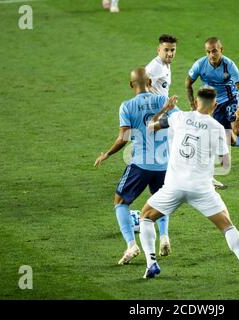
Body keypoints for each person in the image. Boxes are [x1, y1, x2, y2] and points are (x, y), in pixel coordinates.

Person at [138, 86, 239, 281]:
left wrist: (165, 108)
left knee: (146, 217)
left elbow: (150, 126)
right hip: (202, 189)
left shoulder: (178, 117)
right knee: (227, 226)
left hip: (174, 186)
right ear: (215, 105)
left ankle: (151, 264)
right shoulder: (217, 128)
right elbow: (225, 163)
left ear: (196, 102)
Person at [94, 67, 178, 265]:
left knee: (120, 201)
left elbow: (123, 137)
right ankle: (164, 236)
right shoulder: (161, 100)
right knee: (159, 201)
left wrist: (107, 154)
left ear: (131, 85)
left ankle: (131, 244)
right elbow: (178, 121)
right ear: (150, 82)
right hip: (164, 164)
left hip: (140, 164)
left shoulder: (127, 106)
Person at [185, 37, 239, 174]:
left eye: (214, 51)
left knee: (238, 130)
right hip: (215, 105)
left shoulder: (229, 65)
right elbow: (188, 83)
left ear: (221, 50)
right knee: (231, 140)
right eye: (208, 52)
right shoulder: (200, 65)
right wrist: (192, 104)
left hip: (231, 100)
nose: (211, 55)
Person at [143, 34, 178, 256]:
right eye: (166, 50)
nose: (170, 54)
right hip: (155, 117)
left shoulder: (165, 66)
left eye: (173, 50)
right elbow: (141, 86)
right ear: (158, 49)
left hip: (162, 113)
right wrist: (159, 109)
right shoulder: (153, 68)